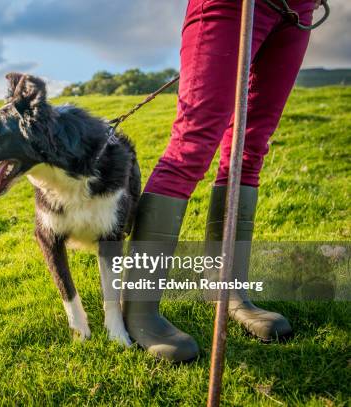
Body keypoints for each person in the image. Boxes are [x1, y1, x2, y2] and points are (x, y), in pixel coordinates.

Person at [122, 0, 323, 362]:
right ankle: (139, 311)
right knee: (192, 144)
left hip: (297, 11)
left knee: (250, 149)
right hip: (233, 5)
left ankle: (227, 289)